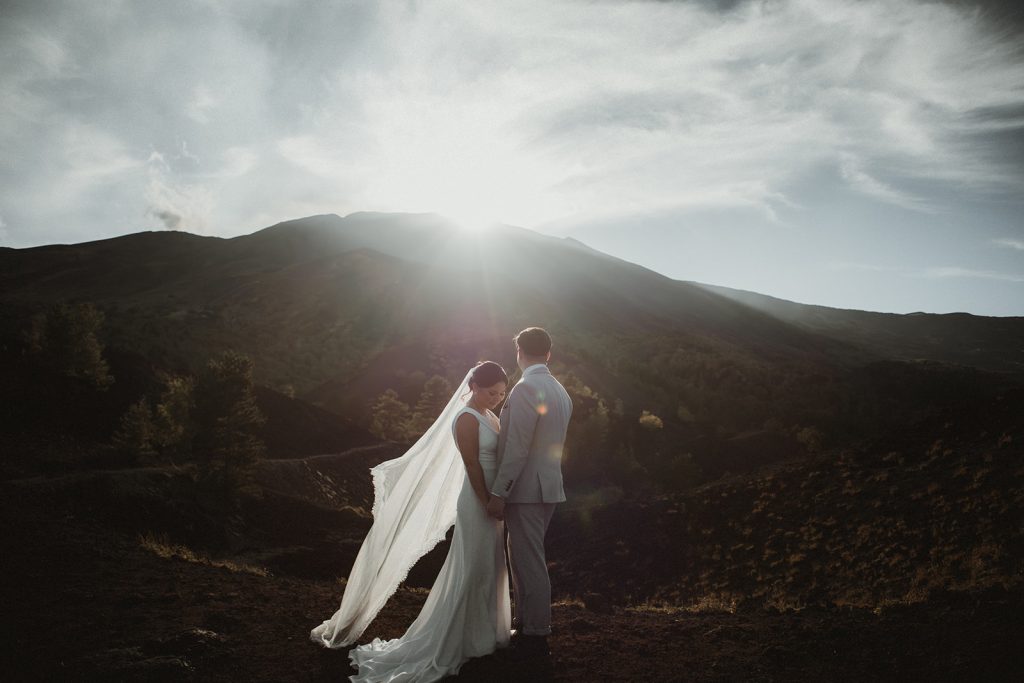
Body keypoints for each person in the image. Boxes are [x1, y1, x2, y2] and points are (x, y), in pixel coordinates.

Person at [310, 361, 512, 682]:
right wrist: (486, 500)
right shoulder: (466, 418)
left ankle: (483, 633)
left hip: (494, 499)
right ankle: (456, 637)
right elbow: (472, 465)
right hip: (477, 500)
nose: (497, 398)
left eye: (501, 393)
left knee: (490, 564)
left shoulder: (490, 416)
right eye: (491, 392)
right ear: (473, 386)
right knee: (473, 566)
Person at [486, 327, 573, 661]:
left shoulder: (525, 389)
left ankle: (536, 634)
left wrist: (499, 492)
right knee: (525, 557)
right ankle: (526, 625)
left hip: (525, 490)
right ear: (548, 354)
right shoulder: (560, 390)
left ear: (519, 352)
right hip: (547, 487)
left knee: (528, 561)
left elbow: (517, 448)